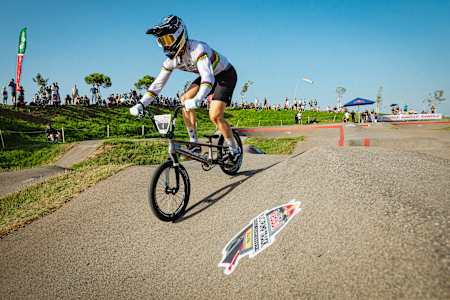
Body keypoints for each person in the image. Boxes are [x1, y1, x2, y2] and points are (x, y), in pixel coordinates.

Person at [130, 15, 240, 161]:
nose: (165, 45)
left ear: (179, 35)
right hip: (208, 76)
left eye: (168, 39)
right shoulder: (172, 61)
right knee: (184, 99)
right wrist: (141, 103)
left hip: (225, 75)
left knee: (214, 115)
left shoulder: (197, 49)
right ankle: (194, 143)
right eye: (161, 41)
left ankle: (234, 149)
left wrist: (199, 98)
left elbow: (208, 78)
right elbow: (158, 84)